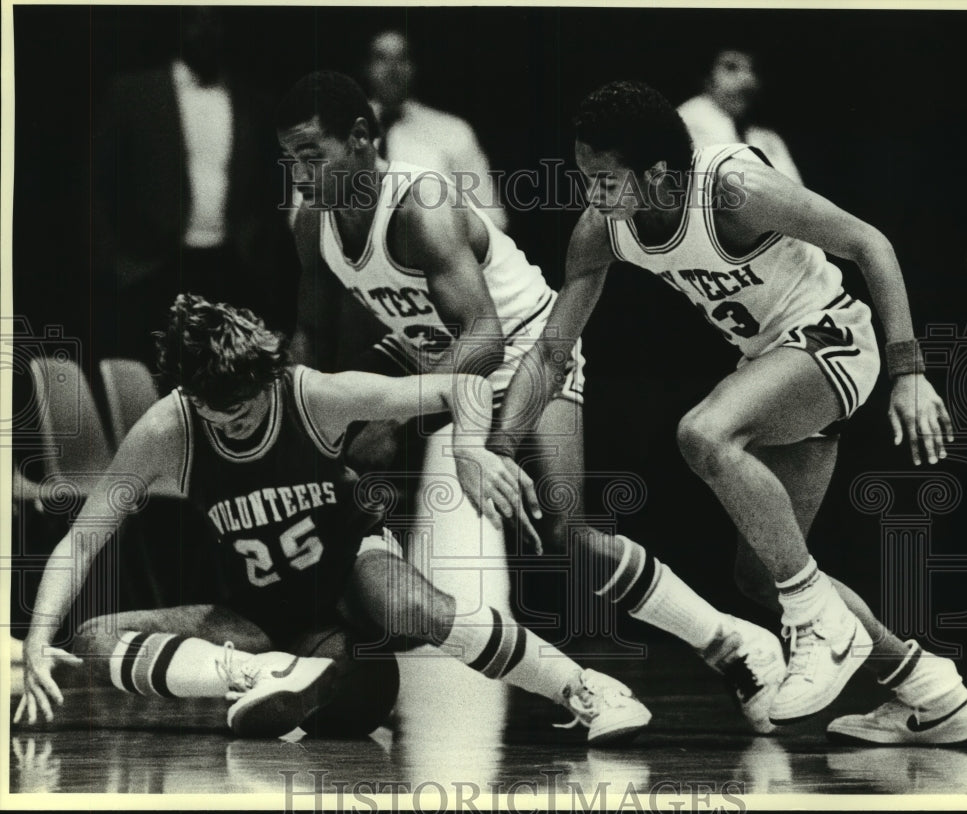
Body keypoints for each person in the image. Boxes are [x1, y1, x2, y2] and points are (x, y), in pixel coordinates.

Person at [276, 70, 787, 734]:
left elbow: (485, 335)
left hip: (524, 346)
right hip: (435, 352)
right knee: (322, 460)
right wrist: (293, 413)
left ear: (363, 139)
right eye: (288, 159)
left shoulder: (421, 205)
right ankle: (338, 640)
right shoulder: (309, 220)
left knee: (567, 535)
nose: (300, 173)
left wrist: (416, 418)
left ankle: (730, 643)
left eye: (311, 156)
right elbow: (312, 334)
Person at [490, 79, 967, 744]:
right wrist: (495, 447)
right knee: (761, 574)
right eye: (584, 176)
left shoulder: (733, 189)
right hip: (773, 365)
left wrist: (910, 371)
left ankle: (822, 629)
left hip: (833, 337)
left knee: (704, 433)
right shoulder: (601, 232)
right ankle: (931, 690)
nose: (591, 193)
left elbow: (871, 243)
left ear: (658, 174)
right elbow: (550, 352)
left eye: (604, 179)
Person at [13, 294, 651, 745]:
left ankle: (581, 687)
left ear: (267, 375)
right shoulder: (166, 430)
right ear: (188, 396)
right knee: (91, 636)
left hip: (349, 578)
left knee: (406, 608)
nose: (235, 423)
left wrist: (467, 450)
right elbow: (82, 540)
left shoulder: (312, 393)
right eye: (218, 414)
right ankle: (260, 675)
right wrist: (39, 636)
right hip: (262, 617)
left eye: (245, 409)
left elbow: (467, 387)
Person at [92, 7, 298, 370]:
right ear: (179, 27)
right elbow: (98, 186)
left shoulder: (254, 101)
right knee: (153, 380)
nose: (205, 31)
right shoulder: (133, 93)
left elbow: (275, 187)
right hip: (153, 266)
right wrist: (117, 264)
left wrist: (261, 251)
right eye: (195, 21)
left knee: (228, 382)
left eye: (215, 21)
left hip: (234, 267)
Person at [364, 29, 507, 231]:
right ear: (366, 67)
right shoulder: (341, 131)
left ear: (414, 67)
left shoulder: (453, 132)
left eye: (402, 58)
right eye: (381, 58)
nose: (392, 70)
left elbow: (493, 219)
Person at [677, 48, 801, 183]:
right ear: (707, 78)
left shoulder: (766, 136)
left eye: (752, 69)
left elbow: (798, 191)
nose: (747, 81)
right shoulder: (690, 119)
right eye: (731, 68)